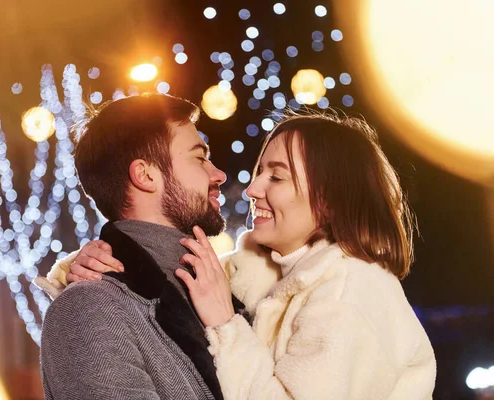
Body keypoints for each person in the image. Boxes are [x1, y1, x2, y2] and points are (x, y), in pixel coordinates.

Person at [38, 112, 437, 399]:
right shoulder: (246, 278)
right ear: (146, 175)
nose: (243, 186)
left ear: (329, 201)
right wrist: (78, 266)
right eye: (199, 157)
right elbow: (141, 272)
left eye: (276, 177)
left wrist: (227, 325)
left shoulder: (350, 289)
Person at [38, 92, 248, 400]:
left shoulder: (224, 286)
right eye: (199, 158)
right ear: (146, 175)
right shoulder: (90, 308)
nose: (218, 174)